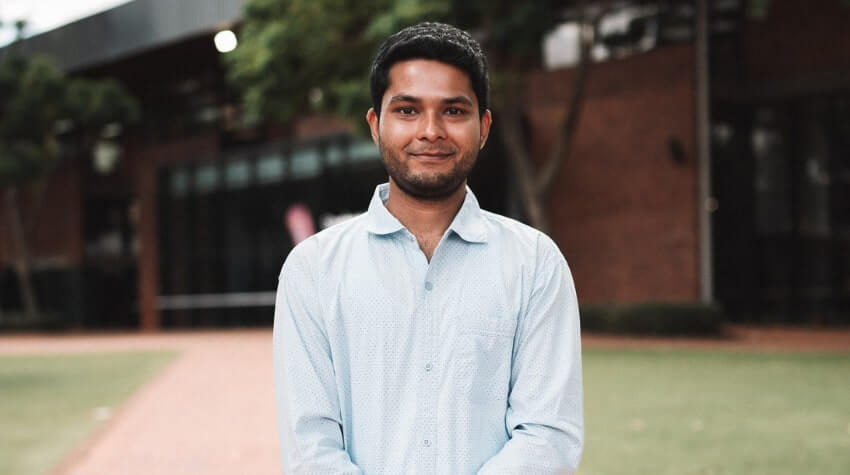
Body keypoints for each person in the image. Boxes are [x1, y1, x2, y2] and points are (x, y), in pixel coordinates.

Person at [273, 21, 583, 474]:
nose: (431, 131)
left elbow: (548, 435)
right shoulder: (313, 269)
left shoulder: (535, 264)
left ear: (484, 126)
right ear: (376, 124)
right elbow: (309, 445)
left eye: (454, 111)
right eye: (408, 110)